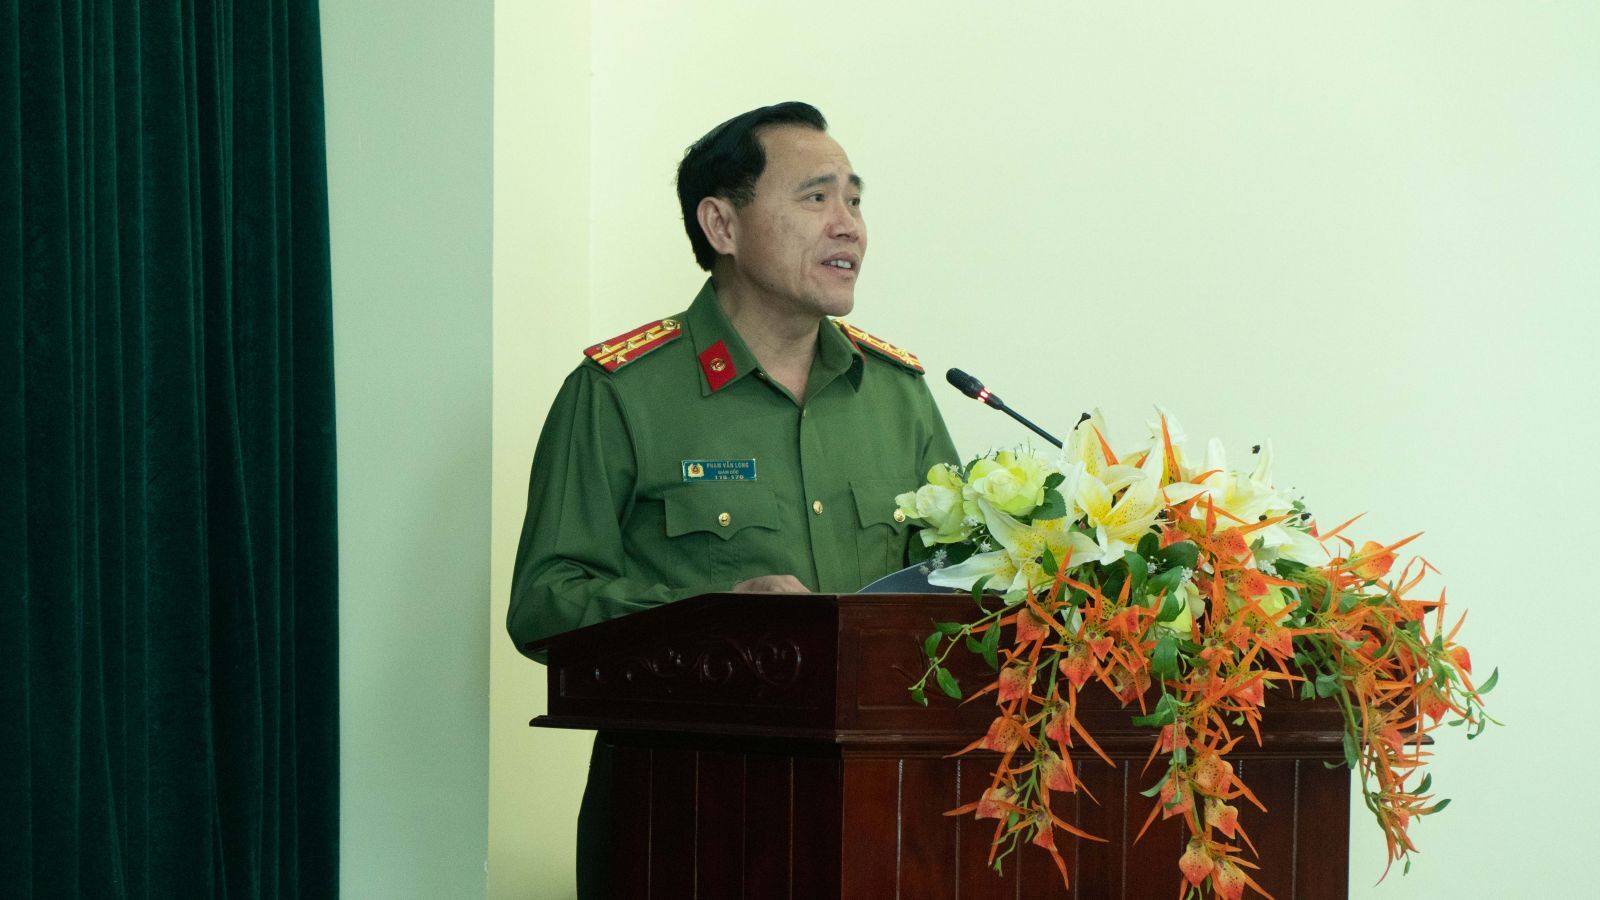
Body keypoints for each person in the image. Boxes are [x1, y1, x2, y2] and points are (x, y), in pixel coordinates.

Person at [506, 101, 959, 898]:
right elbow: (546, 603)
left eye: (855, 199)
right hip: (686, 814)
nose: (849, 225)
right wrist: (713, 618)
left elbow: (957, 595)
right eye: (816, 197)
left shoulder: (899, 396)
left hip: (885, 820)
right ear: (721, 224)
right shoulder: (621, 394)